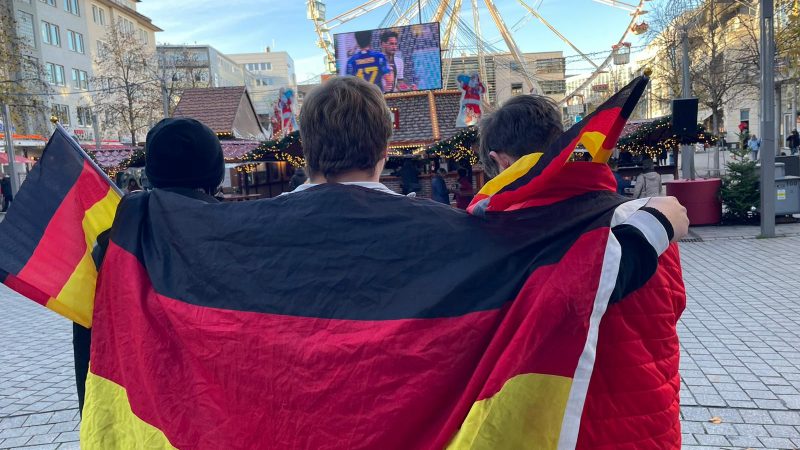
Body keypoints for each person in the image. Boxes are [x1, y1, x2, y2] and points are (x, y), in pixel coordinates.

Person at [479, 93, 688, 448]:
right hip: (648, 422)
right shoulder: (648, 219)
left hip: (558, 431)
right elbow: (672, 306)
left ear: (500, 161)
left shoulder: (495, 233)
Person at [72, 117, 224, 415]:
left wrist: (93, 414)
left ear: (152, 172)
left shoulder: (111, 244)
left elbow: (90, 341)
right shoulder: (240, 235)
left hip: (143, 410)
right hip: (216, 414)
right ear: (214, 173)